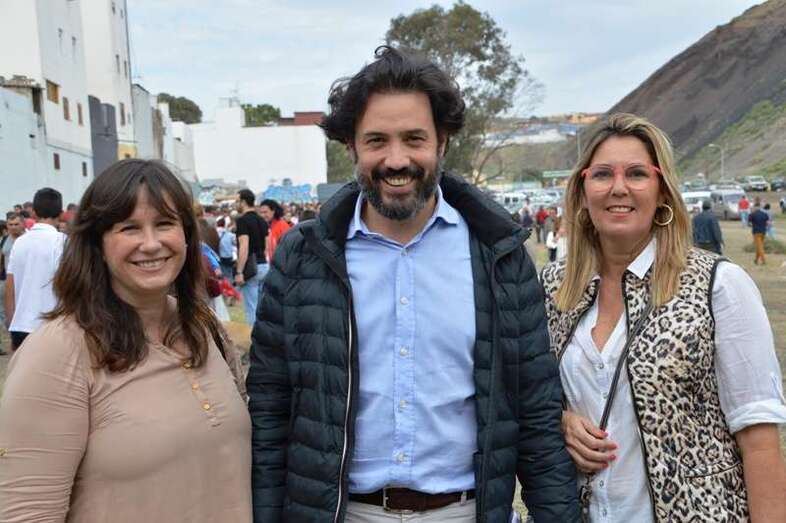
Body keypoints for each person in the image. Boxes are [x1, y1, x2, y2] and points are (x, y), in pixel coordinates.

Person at [247, 45, 579, 523]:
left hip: (464, 511)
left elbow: (535, 417)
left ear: (442, 143)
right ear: (352, 148)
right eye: (377, 140)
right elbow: (271, 413)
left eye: (414, 139)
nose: (396, 159)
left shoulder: (498, 255)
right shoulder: (303, 257)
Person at [541, 113, 786, 522]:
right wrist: (561, 422)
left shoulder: (719, 286)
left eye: (637, 173)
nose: (618, 188)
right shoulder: (553, 289)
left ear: (663, 192)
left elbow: (759, 443)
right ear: (583, 191)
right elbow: (530, 400)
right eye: (602, 174)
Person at [0, 159, 251, 521]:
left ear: (186, 235)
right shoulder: (58, 351)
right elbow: (25, 513)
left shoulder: (204, 326)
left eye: (165, 224)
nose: (151, 244)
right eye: (129, 227)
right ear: (96, 243)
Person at [4, 188, 66, 351]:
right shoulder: (64, 243)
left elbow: (10, 287)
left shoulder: (19, 243)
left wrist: (12, 324)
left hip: (21, 327)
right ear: (60, 213)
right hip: (52, 327)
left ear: (34, 213)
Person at [234, 188, 268, 325]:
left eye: (237, 201)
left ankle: (255, 342)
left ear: (243, 202)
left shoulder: (242, 221)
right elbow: (266, 245)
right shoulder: (262, 220)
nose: (235, 204)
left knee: (251, 309)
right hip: (264, 265)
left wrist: (239, 271)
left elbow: (244, 246)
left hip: (251, 268)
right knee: (263, 308)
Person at [0, 213, 24, 353]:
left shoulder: (27, 239)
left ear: (22, 224)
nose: (13, 227)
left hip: (23, 281)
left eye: (16, 224)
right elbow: (2, 258)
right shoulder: (4, 240)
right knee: (5, 310)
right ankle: (13, 334)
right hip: (7, 280)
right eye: (10, 224)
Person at [258, 198, 291, 263]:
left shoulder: (282, 226)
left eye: (265, 212)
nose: (262, 215)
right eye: (261, 213)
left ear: (273, 211)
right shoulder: (270, 226)